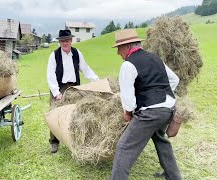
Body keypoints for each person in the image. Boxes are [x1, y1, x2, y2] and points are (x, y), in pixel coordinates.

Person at [109, 29, 182, 180]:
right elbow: (174, 79)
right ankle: (174, 177)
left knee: (124, 147)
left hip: (150, 114)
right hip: (168, 109)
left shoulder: (128, 65)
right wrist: (160, 95)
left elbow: (128, 99)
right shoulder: (155, 58)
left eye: (119, 48)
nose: (118, 53)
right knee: (160, 139)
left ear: (127, 46)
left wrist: (128, 113)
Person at [47, 29, 99, 153]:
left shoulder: (76, 53)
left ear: (71, 41)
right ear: (59, 42)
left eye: (67, 40)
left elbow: (86, 69)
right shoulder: (54, 55)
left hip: (74, 88)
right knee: (56, 114)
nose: (65, 43)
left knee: (76, 113)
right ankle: (54, 142)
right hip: (59, 88)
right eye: (62, 41)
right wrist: (56, 92)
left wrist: (97, 80)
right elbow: (50, 76)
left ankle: (74, 139)